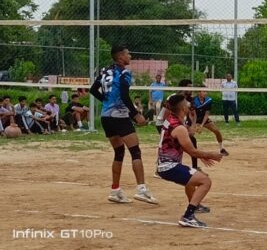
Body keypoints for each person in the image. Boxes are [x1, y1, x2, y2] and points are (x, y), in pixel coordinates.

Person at [90, 44, 157, 204]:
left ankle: (115, 190)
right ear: (121, 57)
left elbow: (93, 89)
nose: (130, 56)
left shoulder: (105, 71)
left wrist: (106, 101)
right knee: (135, 151)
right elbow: (124, 95)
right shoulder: (124, 73)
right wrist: (136, 115)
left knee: (119, 152)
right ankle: (141, 190)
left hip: (106, 117)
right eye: (128, 54)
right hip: (119, 116)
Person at [157, 94, 223, 228]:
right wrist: (211, 155)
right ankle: (188, 216)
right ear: (182, 108)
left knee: (192, 179)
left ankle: (194, 206)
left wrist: (202, 156)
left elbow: (184, 145)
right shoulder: (179, 128)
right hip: (169, 167)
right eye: (186, 103)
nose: (189, 104)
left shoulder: (170, 120)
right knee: (205, 181)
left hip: (165, 165)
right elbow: (192, 151)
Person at [192, 89, 229, 156]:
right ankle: (187, 149)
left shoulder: (208, 100)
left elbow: (207, 113)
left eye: (206, 91)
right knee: (190, 134)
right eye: (203, 91)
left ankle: (221, 148)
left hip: (203, 119)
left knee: (217, 131)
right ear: (199, 92)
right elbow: (192, 114)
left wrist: (202, 125)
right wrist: (194, 124)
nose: (205, 93)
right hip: (193, 119)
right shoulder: (193, 100)